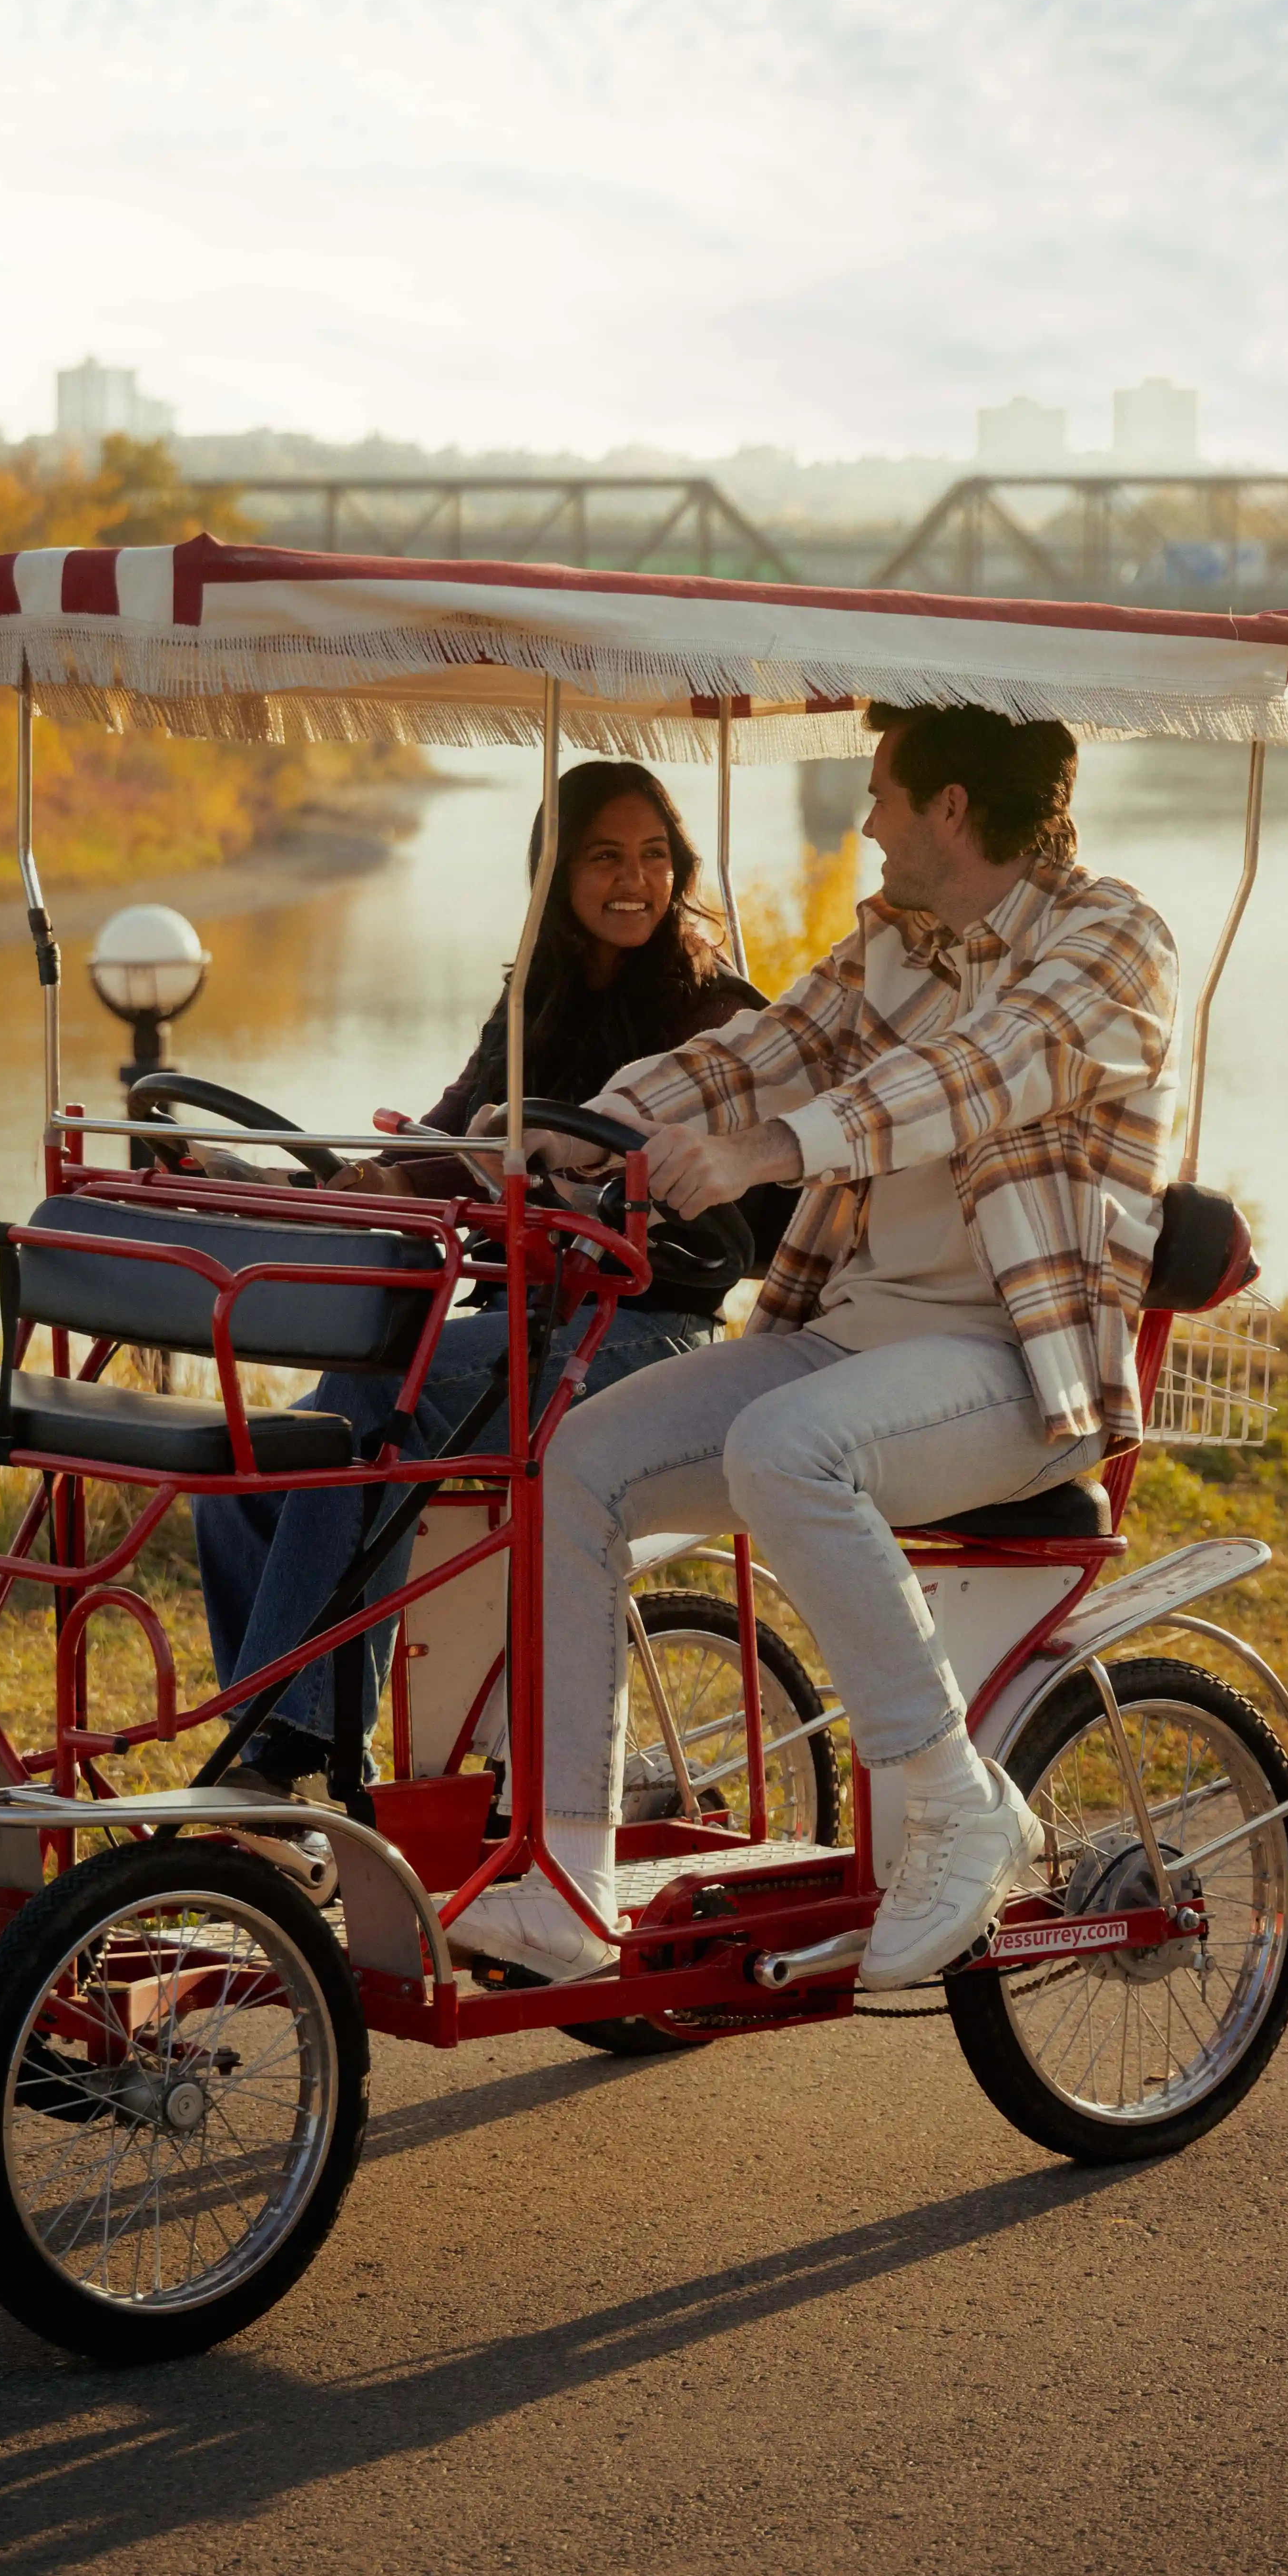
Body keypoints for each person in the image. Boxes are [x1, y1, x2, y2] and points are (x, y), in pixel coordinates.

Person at [450, 702, 1180, 1993]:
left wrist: (774, 1149)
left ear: (952, 807)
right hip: (857, 1344)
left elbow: (977, 1072)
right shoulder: (891, 942)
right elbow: (755, 1053)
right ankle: (566, 1880)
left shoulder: (1111, 940)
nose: (868, 818)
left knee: (785, 1448)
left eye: (887, 791)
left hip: (1020, 1367)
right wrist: (569, 1127)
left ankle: (959, 1803)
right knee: (581, 1460)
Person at [196, 760, 788, 1807]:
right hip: (522, 1322)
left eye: (654, 855)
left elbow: (761, 1214)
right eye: (605, 855)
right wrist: (267, 1181)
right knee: (254, 1462)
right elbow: (434, 1148)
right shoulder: (532, 1000)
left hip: (645, 1332)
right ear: (555, 872)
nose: (633, 880)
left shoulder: (717, 1011)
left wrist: (618, 1184)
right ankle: (297, 1763)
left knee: (381, 1400)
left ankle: (288, 1756)